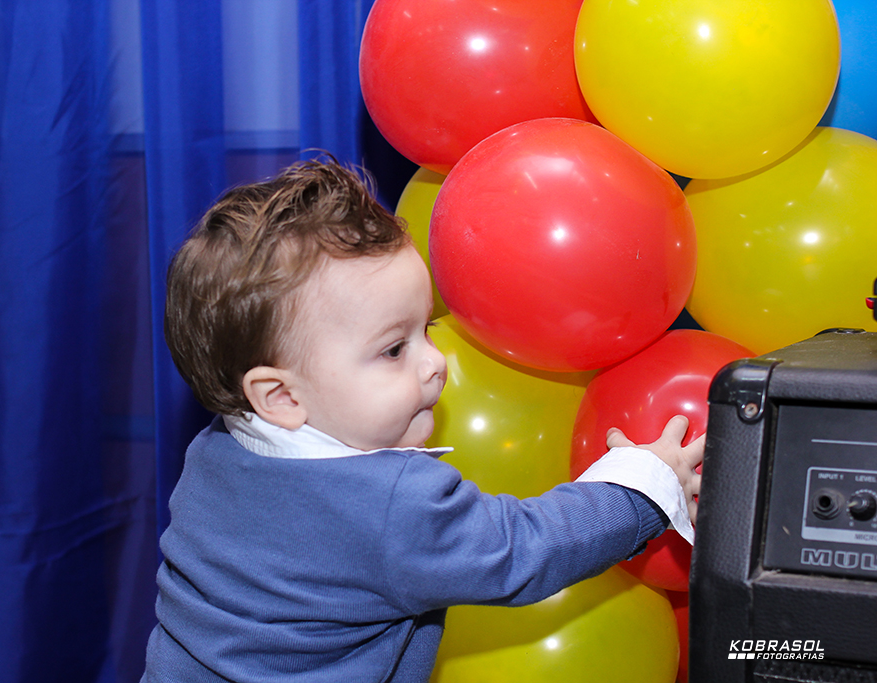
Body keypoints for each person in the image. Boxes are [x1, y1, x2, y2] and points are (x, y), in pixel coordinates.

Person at [142, 157, 702, 683]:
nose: (435, 363)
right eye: (393, 350)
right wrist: (643, 484)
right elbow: (523, 551)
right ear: (281, 397)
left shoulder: (216, 450)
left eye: (425, 329)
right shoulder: (390, 505)